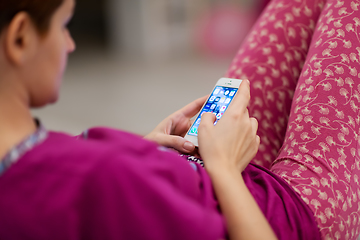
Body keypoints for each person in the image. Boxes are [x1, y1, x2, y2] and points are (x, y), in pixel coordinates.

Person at [0, 1, 358, 240]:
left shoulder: (22, 165)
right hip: (292, 211)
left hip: (221, 174)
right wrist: (225, 167)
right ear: (20, 38)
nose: (70, 44)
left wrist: (143, 151)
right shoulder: (100, 179)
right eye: (64, 25)